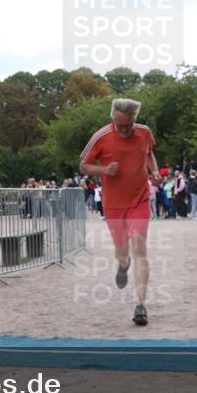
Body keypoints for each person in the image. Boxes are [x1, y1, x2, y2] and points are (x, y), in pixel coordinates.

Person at [79, 98, 159, 326]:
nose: (124, 130)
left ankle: (141, 304)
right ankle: (123, 265)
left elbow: (149, 153)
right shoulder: (101, 136)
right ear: (113, 118)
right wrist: (104, 170)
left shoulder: (144, 132)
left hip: (139, 199)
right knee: (122, 251)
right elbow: (83, 166)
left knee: (140, 247)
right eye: (120, 125)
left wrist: (153, 171)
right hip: (113, 204)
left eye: (128, 125)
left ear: (134, 119)